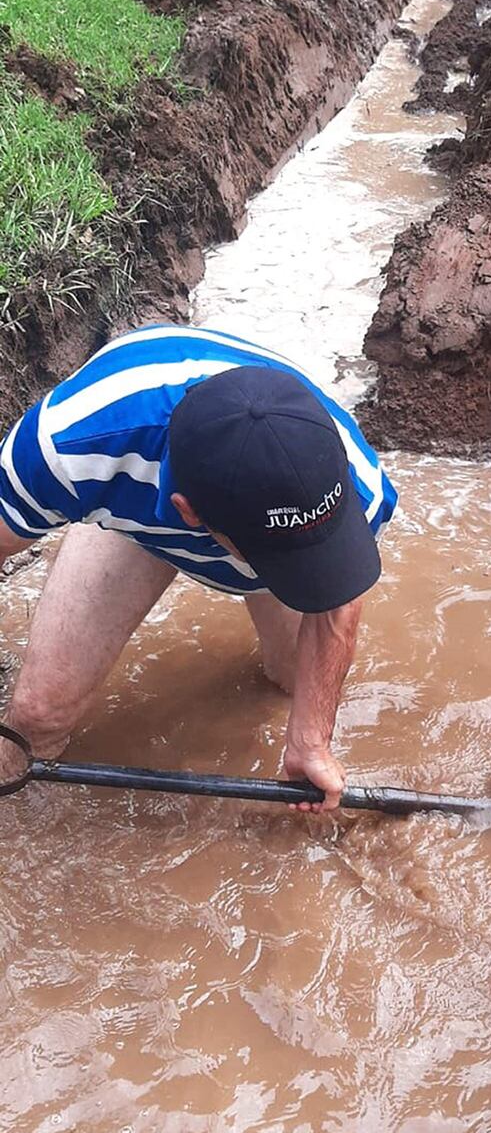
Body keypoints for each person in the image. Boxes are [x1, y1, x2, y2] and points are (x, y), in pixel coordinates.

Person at [0, 324, 397, 811]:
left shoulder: (360, 485)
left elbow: (337, 601)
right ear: (189, 515)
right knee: (38, 716)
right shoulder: (67, 449)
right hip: (132, 503)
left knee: (293, 681)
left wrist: (310, 742)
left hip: (259, 515)